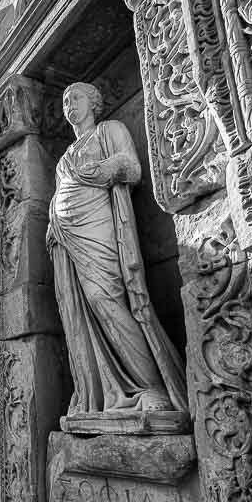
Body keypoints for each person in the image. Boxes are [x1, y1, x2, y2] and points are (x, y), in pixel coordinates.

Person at [47, 82, 188, 432]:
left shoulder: (110, 130)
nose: (69, 105)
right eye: (65, 100)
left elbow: (132, 166)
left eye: (75, 97)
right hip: (69, 239)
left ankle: (151, 387)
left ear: (93, 102)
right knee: (84, 311)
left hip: (99, 229)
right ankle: (102, 397)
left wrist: (103, 170)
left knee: (106, 298)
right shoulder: (65, 156)